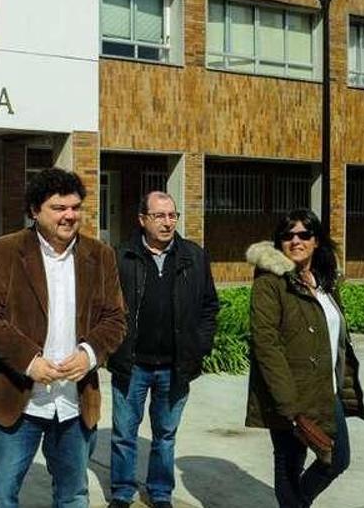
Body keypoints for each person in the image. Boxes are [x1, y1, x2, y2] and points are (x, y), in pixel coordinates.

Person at [0, 167, 127, 508]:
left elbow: (115, 318)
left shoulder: (100, 256)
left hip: (73, 403)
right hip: (16, 400)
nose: (69, 215)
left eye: (75, 207)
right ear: (34, 211)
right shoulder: (3, 252)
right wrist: (29, 361)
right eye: (59, 208)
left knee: (73, 495)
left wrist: (88, 353)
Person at [245, 209, 364, 508]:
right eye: (288, 235)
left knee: (337, 459)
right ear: (279, 242)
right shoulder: (270, 282)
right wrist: (287, 404)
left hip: (327, 391)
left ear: (316, 241)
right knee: (289, 466)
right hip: (290, 396)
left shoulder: (324, 280)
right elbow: (266, 345)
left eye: (303, 234)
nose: (295, 241)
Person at [107, 191, 220, 508]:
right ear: (142, 220)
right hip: (131, 365)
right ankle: (122, 491)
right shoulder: (122, 257)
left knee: (165, 435)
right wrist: (112, 348)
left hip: (175, 367)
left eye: (172, 215)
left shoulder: (194, 257)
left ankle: (159, 492)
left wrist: (200, 345)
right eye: (159, 216)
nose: (168, 222)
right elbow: (104, 308)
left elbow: (209, 307)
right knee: (124, 434)